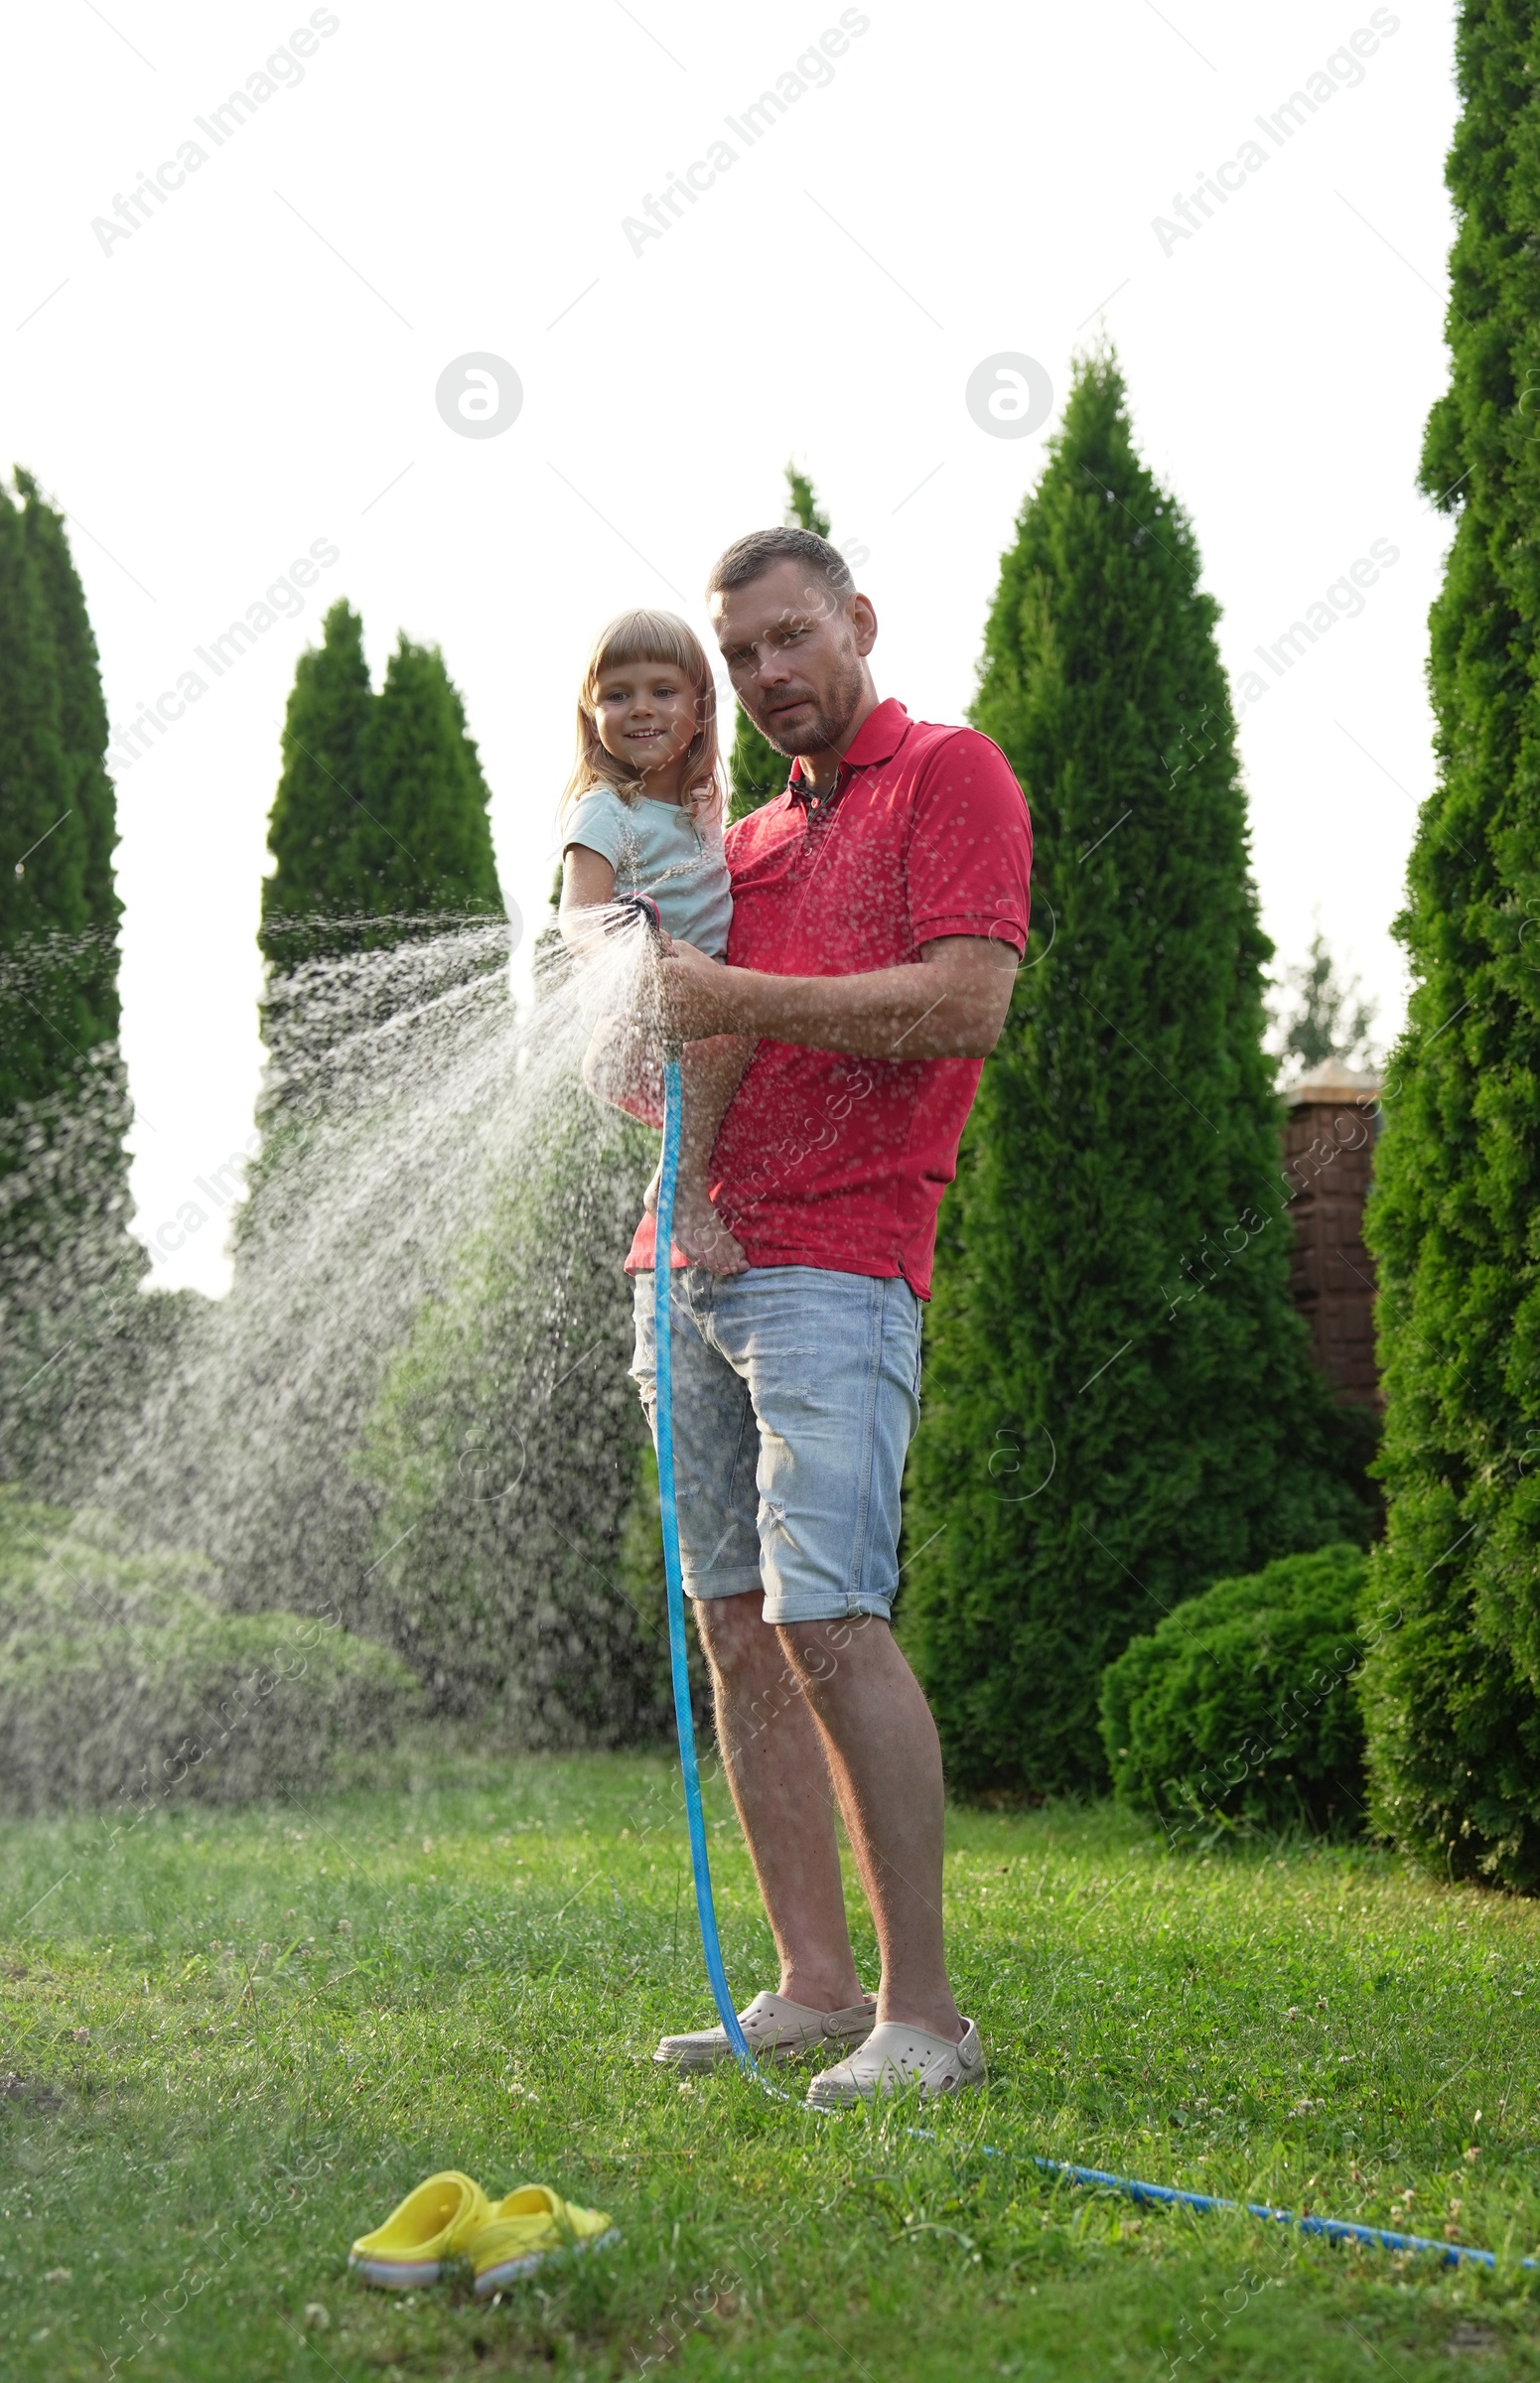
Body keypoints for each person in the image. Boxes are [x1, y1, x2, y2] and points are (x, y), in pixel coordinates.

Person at [628, 528, 1032, 2107]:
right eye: (744, 656)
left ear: (859, 620)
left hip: (836, 1269)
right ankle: (812, 1986)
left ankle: (923, 2018)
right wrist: (636, 1040)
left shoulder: (952, 776)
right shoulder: (742, 843)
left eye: (792, 638)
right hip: (690, 1264)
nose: (768, 674)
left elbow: (962, 1001)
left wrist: (735, 1005)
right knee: (735, 1622)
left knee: (829, 1618)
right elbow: (684, 1069)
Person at [558, 608, 755, 1272]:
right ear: (593, 714)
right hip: (637, 1023)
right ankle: (681, 1192)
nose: (640, 709)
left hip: (684, 1017)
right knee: (739, 1024)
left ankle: (683, 1174)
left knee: (731, 1077)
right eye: (618, 695)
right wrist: (633, 963)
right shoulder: (606, 810)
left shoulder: (701, 806)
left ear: (699, 708)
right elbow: (578, 918)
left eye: (661, 691)